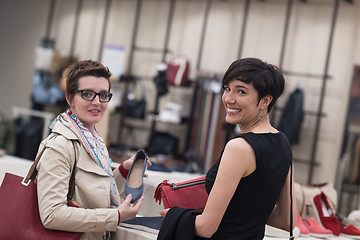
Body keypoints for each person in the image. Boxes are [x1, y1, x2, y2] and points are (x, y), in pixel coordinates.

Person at [158, 58, 297, 240]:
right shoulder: (282, 143)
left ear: (265, 100)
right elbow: (286, 221)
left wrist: (174, 216)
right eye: (227, 89)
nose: (228, 99)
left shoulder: (239, 147)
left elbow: (206, 228)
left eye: (241, 91)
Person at [35, 59, 150, 240]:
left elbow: (92, 193)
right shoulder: (60, 146)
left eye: (104, 95)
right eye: (87, 94)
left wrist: (123, 171)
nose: (97, 102)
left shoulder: (94, 142)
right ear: (69, 97)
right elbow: (52, 214)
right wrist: (116, 216)